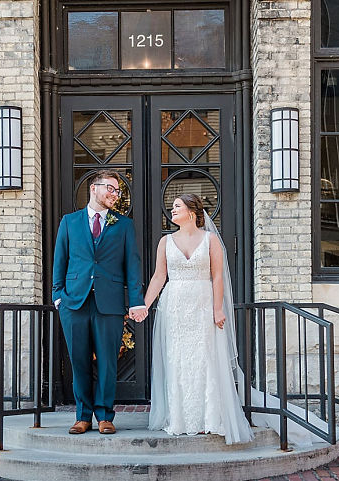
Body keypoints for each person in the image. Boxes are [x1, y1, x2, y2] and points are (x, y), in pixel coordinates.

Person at [144, 193, 253, 444]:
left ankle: (209, 418)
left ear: (192, 212)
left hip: (203, 304)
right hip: (175, 307)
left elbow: (217, 277)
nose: (172, 211)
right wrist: (145, 305)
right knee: (178, 359)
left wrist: (218, 309)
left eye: (177, 207)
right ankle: (179, 418)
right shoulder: (165, 242)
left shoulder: (211, 240)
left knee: (205, 358)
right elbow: (159, 277)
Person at [52, 169, 148, 435]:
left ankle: (105, 416)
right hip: (74, 303)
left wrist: (136, 301)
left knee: (108, 362)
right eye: (111, 188)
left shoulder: (123, 225)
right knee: (79, 361)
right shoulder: (69, 222)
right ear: (94, 188)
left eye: (117, 191)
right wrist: (57, 296)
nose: (114, 195)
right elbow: (60, 260)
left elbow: (132, 266)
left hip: (110, 303)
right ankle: (82, 416)